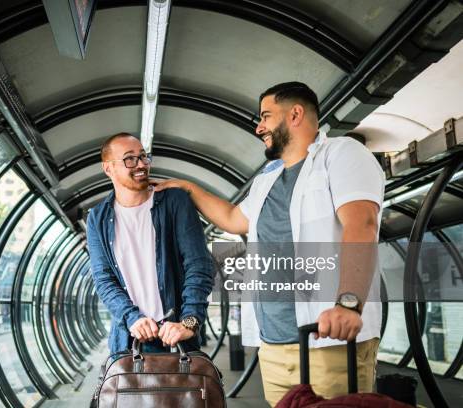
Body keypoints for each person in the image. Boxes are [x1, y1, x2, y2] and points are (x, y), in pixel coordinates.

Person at [153, 82, 384, 406]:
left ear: (295, 114)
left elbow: (362, 225)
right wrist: (189, 187)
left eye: (265, 116)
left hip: (328, 340)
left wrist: (349, 304)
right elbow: (234, 217)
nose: (259, 127)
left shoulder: (342, 154)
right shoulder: (266, 180)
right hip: (273, 344)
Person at [86, 132, 214, 355]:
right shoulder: (97, 218)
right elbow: (103, 279)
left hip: (177, 336)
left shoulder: (175, 202)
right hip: (129, 340)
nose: (141, 164)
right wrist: (132, 317)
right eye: (130, 159)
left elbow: (199, 265)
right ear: (108, 169)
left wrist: (189, 322)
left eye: (144, 157)